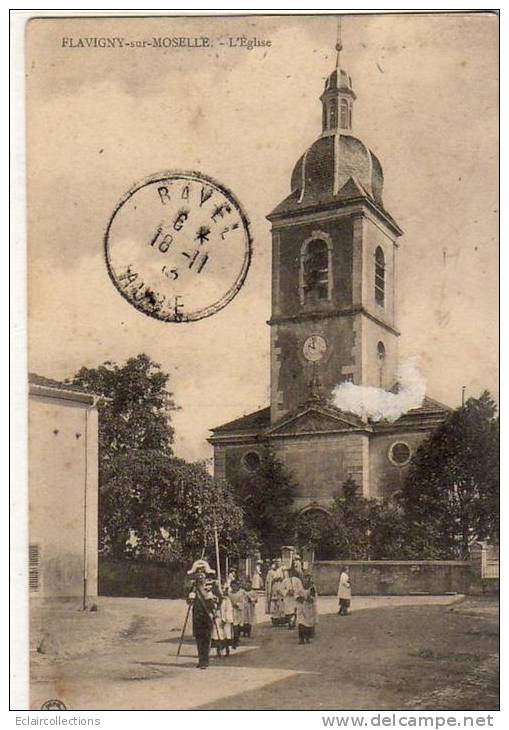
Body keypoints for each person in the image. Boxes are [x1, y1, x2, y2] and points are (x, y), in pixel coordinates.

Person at [186, 559, 218, 669]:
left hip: (207, 613)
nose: (200, 574)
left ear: (205, 573)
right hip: (197, 614)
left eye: (202, 571)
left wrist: (213, 599)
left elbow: (219, 598)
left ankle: (205, 660)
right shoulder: (193, 587)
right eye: (198, 571)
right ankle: (201, 660)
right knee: (199, 637)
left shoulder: (212, 585)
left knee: (207, 637)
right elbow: (188, 601)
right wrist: (190, 599)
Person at [211, 581, 234, 657]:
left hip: (225, 619)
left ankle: (227, 649)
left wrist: (225, 619)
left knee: (226, 634)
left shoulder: (226, 600)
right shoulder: (213, 599)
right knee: (217, 635)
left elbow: (229, 610)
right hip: (217, 618)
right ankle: (219, 651)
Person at [296, 571, 318, 644]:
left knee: (308, 623)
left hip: (309, 608)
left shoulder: (312, 587)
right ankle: (301, 639)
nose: (306, 579)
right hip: (301, 607)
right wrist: (299, 598)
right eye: (305, 577)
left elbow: (313, 597)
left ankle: (307, 637)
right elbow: (296, 595)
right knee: (301, 622)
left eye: (307, 577)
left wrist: (309, 599)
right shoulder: (299, 586)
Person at [229, 579, 246, 648]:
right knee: (232, 626)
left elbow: (243, 602)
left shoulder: (240, 594)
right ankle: (232, 639)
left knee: (237, 626)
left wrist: (237, 605)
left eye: (235, 586)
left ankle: (236, 640)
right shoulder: (229, 593)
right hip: (231, 611)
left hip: (238, 611)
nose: (234, 587)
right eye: (232, 586)